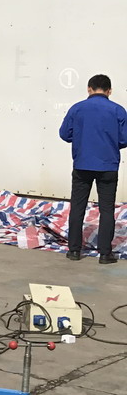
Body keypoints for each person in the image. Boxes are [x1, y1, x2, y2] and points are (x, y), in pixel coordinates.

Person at [58, 74, 127, 264]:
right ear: (109, 91)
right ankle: (105, 254)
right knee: (106, 210)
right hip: (108, 165)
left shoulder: (77, 108)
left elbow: (64, 134)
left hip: (82, 165)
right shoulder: (118, 110)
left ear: (89, 89)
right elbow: (124, 139)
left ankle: (74, 251)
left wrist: (81, 138)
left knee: (78, 207)